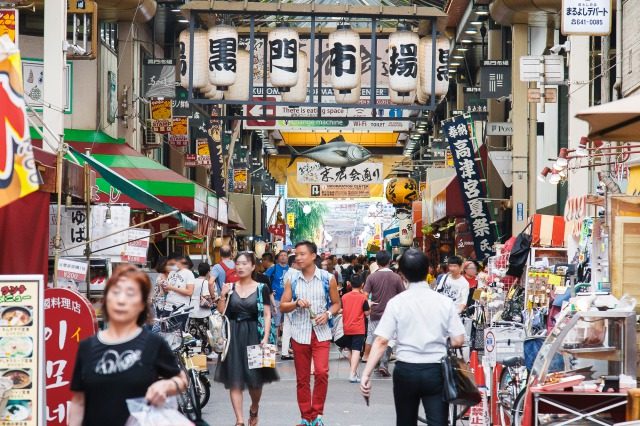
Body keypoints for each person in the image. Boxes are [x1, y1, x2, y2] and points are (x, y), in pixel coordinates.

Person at [69, 265, 187, 426]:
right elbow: (78, 402)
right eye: (115, 292)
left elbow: (181, 380)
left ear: (141, 305)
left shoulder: (153, 344)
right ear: (106, 299)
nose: (121, 300)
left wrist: (166, 384)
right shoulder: (86, 348)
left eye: (130, 294)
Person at [360, 249, 466, 426]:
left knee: (405, 421)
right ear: (428, 270)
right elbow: (458, 340)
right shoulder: (444, 302)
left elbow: (381, 340)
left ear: (402, 274)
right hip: (436, 370)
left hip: (406, 370)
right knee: (438, 421)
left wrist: (366, 373)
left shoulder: (397, 303)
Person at [214, 252, 279, 426]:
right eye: (238, 263)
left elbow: (266, 314)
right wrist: (223, 294)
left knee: (255, 382)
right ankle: (240, 421)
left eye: (244, 264)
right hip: (233, 335)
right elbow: (221, 311)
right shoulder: (230, 287)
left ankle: (254, 407)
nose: (240, 267)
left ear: (252, 267)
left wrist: (265, 337)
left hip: (255, 335)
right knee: (235, 380)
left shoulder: (261, 288)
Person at [280, 241, 341, 426]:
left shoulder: (327, 278)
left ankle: (317, 415)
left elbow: (337, 304)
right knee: (302, 378)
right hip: (300, 333)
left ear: (313, 256)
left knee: (322, 372)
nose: (298, 258)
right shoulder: (292, 279)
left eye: (302, 254)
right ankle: (306, 417)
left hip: (321, 333)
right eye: (296, 254)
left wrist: (328, 314)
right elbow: (283, 306)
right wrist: (296, 303)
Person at [362, 250, 405, 374]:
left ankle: (377, 363)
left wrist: (369, 307)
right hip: (392, 314)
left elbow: (364, 295)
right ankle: (384, 362)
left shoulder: (371, 277)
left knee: (377, 338)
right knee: (391, 339)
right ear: (389, 261)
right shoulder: (396, 277)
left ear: (377, 262)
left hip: (375, 313)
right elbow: (402, 296)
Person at [340, 273, 370, 383]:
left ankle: (354, 372)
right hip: (358, 328)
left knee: (350, 351)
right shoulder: (363, 298)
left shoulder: (344, 297)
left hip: (347, 327)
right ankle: (352, 374)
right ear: (362, 284)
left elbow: (342, 309)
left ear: (350, 284)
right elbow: (367, 313)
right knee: (357, 350)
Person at [189, 262, 215, 355]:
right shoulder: (206, 282)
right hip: (203, 312)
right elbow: (206, 296)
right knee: (205, 334)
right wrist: (213, 299)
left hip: (192, 310)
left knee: (194, 334)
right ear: (208, 272)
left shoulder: (194, 281)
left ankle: (195, 354)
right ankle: (205, 354)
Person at [162, 255, 195, 330]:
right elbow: (167, 291)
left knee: (177, 336)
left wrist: (172, 287)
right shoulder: (171, 273)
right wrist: (163, 286)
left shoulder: (188, 273)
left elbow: (190, 292)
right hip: (167, 308)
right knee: (164, 333)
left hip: (180, 310)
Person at [264, 250, 290, 340]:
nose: (283, 257)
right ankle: (274, 343)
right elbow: (263, 278)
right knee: (276, 322)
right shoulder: (274, 268)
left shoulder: (290, 269)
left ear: (287, 257)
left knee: (286, 322)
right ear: (278, 258)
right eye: (281, 255)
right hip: (276, 299)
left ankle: (284, 344)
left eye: (285, 255)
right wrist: (269, 290)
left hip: (288, 300)